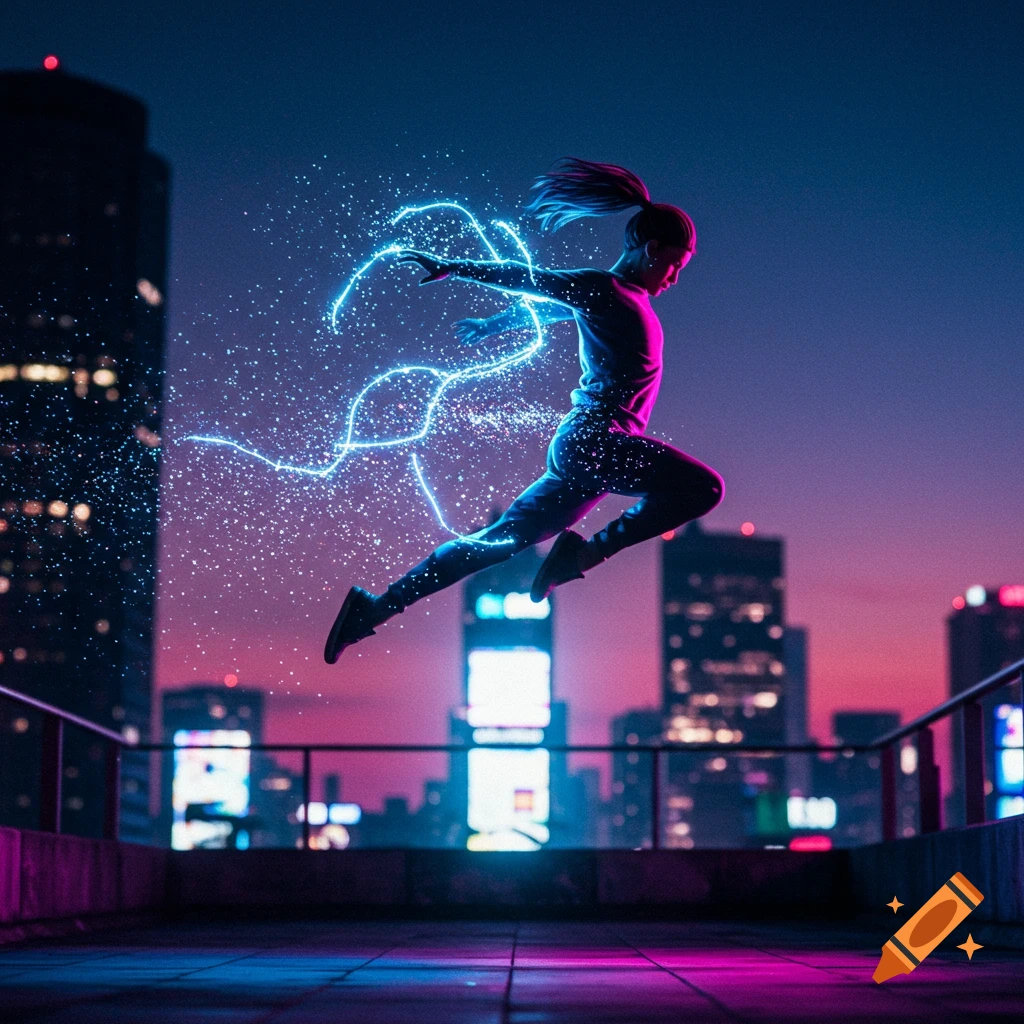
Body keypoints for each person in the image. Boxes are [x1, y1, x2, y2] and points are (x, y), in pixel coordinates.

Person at [325, 157, 724, 664]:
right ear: (651, 249)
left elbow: (545, 307)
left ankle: (377, 608)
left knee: (496, 543)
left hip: (590, 455)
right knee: (705, 488)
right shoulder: (604, 289)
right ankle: (582, 554)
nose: (674, 278)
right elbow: (530, 280)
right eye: (674, 265)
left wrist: (493, 327)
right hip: (596, 441)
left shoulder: (609, 298)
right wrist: (455, 267)